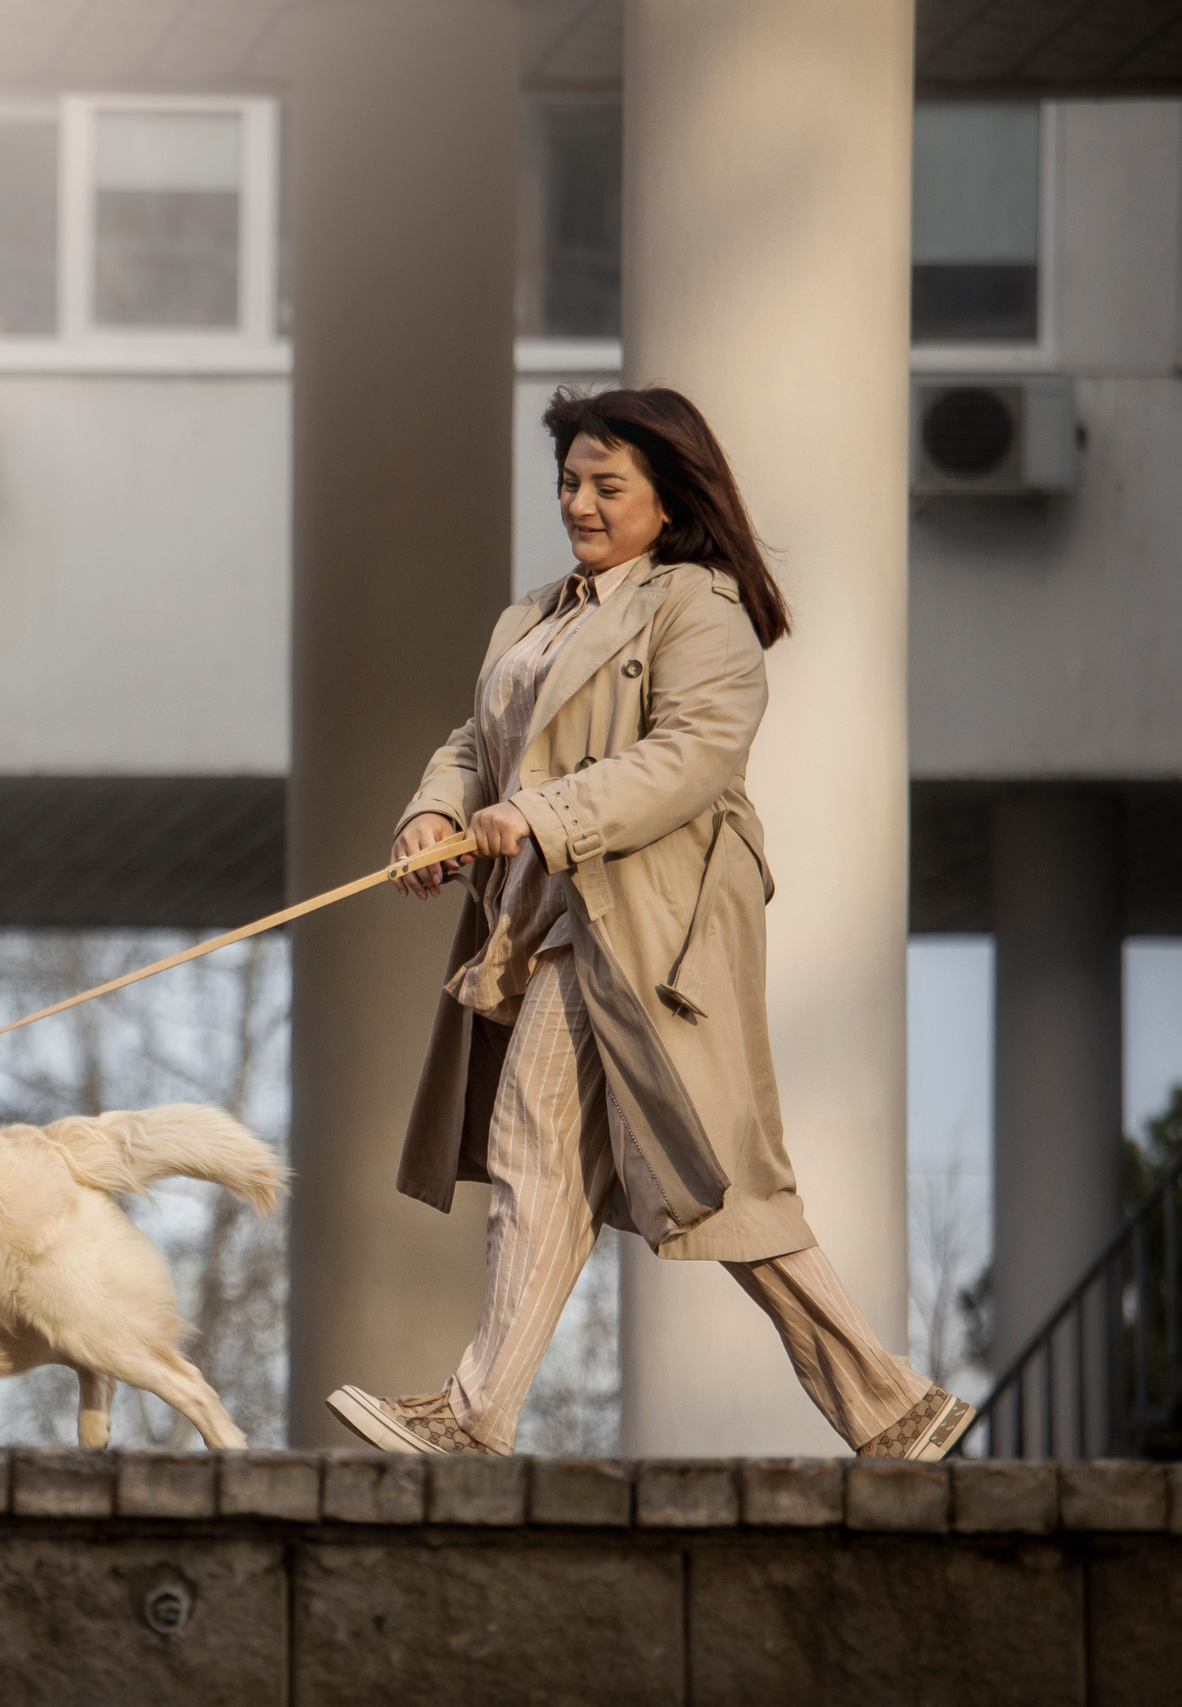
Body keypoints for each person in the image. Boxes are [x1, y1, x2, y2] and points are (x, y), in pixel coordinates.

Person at [324, 386, 971, 1461]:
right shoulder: (535, 615)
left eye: (603, 484)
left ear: (667, 500)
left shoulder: (697, 609)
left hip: (653, 931)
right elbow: (479, 738)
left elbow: (691, 758)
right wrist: (435, 807)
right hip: (560, 925)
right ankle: (888, 1407)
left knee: (673, 1171)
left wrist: (537, 812)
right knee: (591, 1166)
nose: (578, 502)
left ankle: (485, 1414)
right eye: (569, 481)